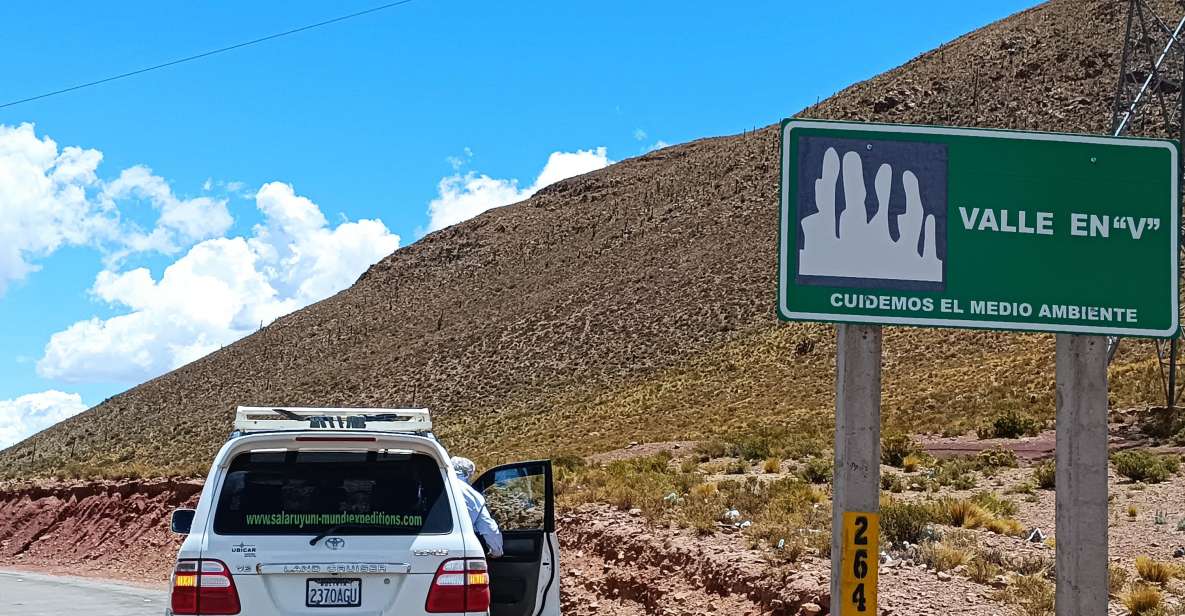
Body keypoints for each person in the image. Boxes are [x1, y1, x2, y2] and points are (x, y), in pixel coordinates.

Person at [450, 456, 504, 558]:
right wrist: (496, 551)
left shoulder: (433, 488)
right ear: (468, 474)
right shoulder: (473, 496)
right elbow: (490, 529)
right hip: (459, 550)